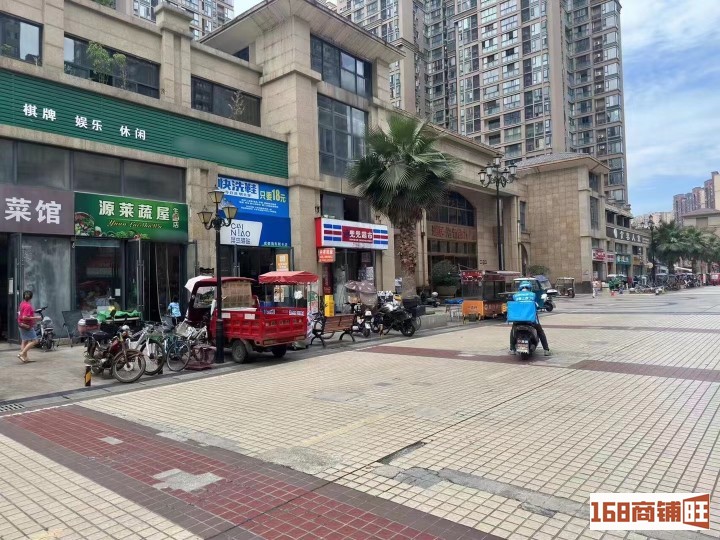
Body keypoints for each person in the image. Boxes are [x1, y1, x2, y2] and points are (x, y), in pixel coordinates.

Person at [510, 281, 551, 356]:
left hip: (518, 320)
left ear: (520, 288)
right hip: (531, 320)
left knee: (513, 331)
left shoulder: (515, 296)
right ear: (529, 288)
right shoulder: (533, 295)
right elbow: (537, 305)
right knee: (540, 332)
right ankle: (546, 350)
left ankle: (512, 349)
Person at [17, 290, 40, 363]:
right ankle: (21, 354)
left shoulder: (22, 303)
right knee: (35, 341)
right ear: (31, 297)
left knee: (24, 341)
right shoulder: (28, 306)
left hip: (21, 324)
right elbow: (24, 317)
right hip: (27, 326)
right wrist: (36, 318)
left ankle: (25, 358)